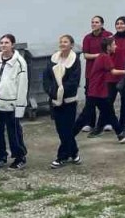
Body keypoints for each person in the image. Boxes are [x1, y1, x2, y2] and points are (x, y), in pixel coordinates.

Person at [0, 35, 29, 170]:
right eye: (1, 43)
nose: (3, 45)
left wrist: (20, 106)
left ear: (13, 45)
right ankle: (0, 157)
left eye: (7, 43)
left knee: (14, 132)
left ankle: (19, 157)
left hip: (11, 104)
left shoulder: (19, 62)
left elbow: (22, 85)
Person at [43, 35, 82, 169]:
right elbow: (46, 77)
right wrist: (52, 91)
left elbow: (74, 80)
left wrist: (62, 90)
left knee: (67, 129)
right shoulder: (53, 59)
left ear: (71, 45)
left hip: (69, 100)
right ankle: (74, 151)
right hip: (54, 100)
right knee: (61, 130)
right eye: (61, 41)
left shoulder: (74, 61)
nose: (62, 44)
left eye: (65, 42)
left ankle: (62, 157)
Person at [76, 38, 121, 140]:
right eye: (114, 44)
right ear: (108, 47)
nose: (115, 46)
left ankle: (120, 134)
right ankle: (71, 135)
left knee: (109, 112)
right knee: (86, 115)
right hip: (96, 91)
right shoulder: (104, 57)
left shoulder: (103, 56)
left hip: (98, 90)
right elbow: (113, 72)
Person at [76, 16, 112, 134]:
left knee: (105, 98)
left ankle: (107, 122)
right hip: (91, 73)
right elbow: (86, 55)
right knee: (90, 98)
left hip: (105, 72)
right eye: (92, 22)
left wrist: (101, 57)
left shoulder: (108, 35)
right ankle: (89, 123)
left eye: (96, 22)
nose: (94, 24)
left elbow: (111, 52)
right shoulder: (87, 38)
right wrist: (100, 56)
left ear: (102, 24)